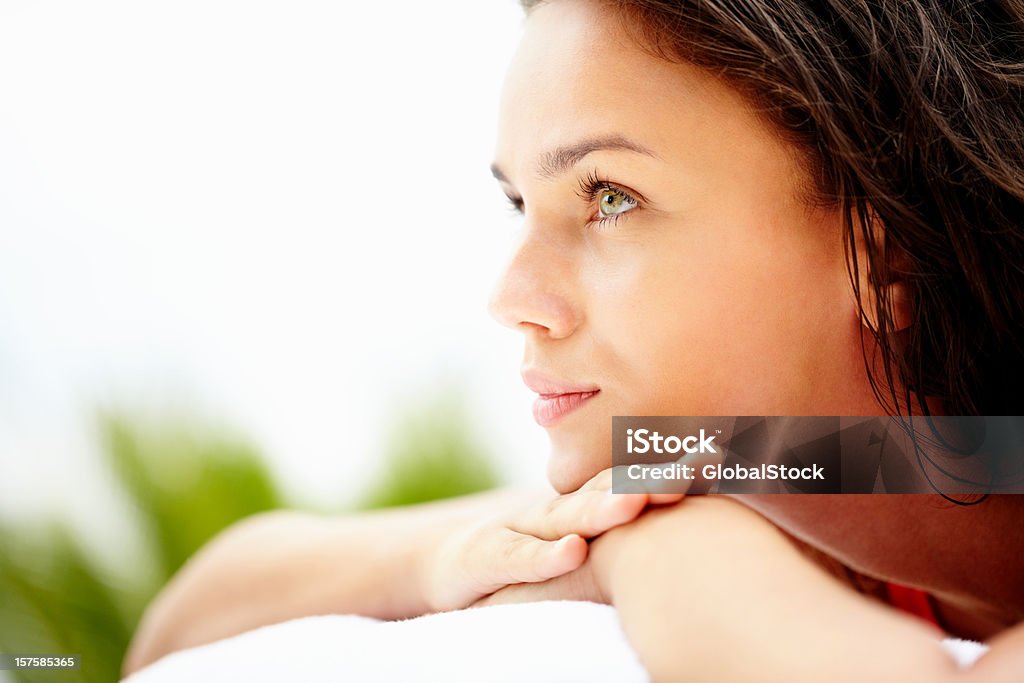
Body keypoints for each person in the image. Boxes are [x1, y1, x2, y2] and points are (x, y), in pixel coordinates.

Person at [121, 0, 1024, 680]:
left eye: (610, 197)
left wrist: (682, 557)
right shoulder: (807, 469)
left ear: (882, 253)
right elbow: (195, 609)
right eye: (521, 206)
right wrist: (638, 539)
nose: (514, 298)